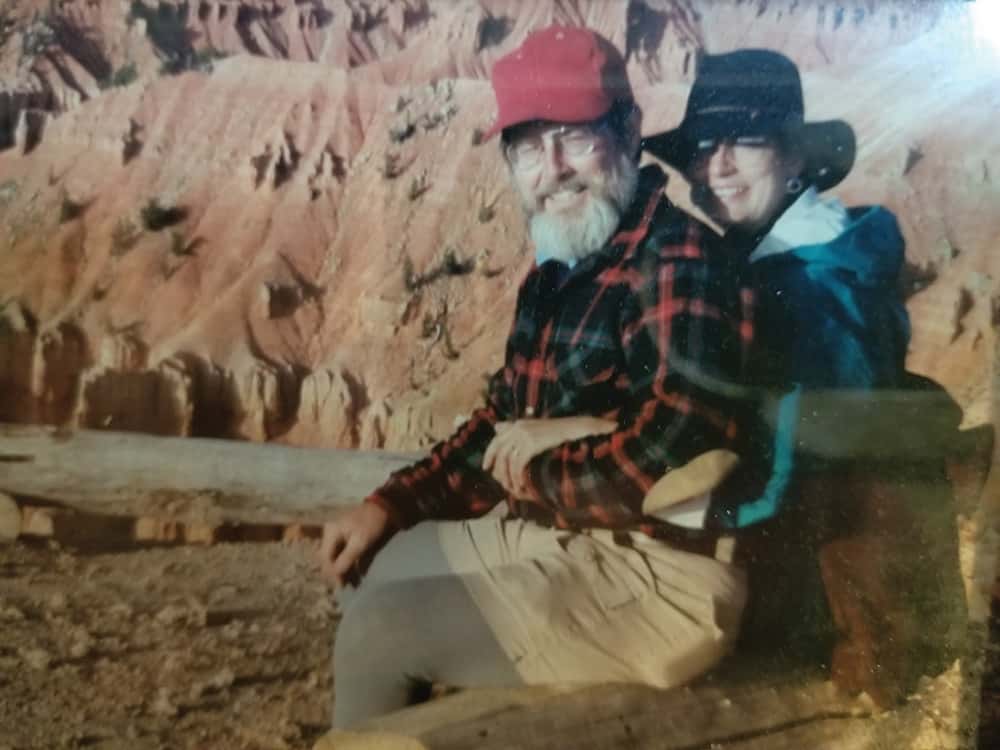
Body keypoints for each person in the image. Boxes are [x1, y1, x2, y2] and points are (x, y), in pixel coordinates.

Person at [318, 25, 756, 729]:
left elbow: (677, 443)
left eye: (574, 138)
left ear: (630, 130)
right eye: (527, 147)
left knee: (380, 634)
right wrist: (390, 504)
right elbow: (502, 420)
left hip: (664, 577)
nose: (552, 170)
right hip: (571, 537)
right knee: (376, 562)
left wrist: (538, 461)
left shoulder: (674, 260)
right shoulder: (561, 264)